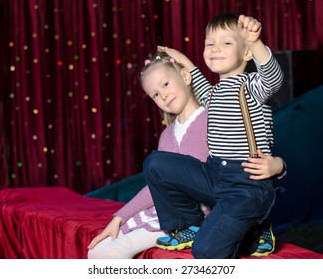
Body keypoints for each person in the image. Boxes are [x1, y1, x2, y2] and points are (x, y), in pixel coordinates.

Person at [87, 51, 286, 259]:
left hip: (208, 211)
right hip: (170, 213)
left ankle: (245, 229)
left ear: (185, 76)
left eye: (165, 85)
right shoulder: (167, 135)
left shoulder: (214, 116)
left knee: (112, 254)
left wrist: (279, 165)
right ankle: (184, 228)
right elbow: (156, 185)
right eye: (155, 94)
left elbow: (250, 148)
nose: (162, 95)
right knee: (96, 251)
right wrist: (120, 218)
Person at [143, 13, 284, 259]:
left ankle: (255, 230)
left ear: (246, 53)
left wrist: (255, 42)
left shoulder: (252, 87)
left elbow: (273, 78)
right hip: (215, 175)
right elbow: (199, 83)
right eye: (210, 44)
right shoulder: (216, 92)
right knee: (156, 164)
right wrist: (183, 60)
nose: (215, 49)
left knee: (205, 250)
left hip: (246, 186)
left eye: (226, 43)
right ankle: (189, 225)